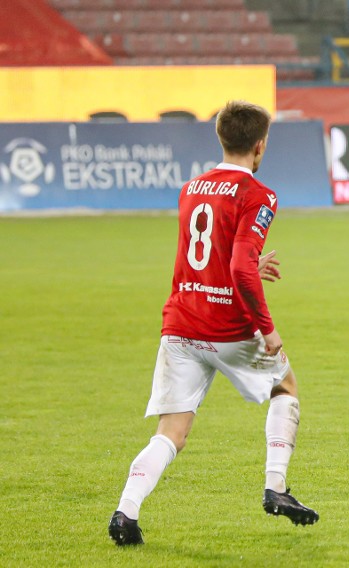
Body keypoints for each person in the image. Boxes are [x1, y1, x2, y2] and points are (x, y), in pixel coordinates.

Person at [108, 100, 319, 546]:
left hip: (181, 325)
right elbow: (240, 268)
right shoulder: (258, 195)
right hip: (227, 329)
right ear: (260, 146)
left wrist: (244, 266)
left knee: (172, 433)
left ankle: (126, 513)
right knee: (286, 388)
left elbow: (206, 256)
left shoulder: (192, 188)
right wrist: (267, 328)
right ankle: (276, 488)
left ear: (221, 139)